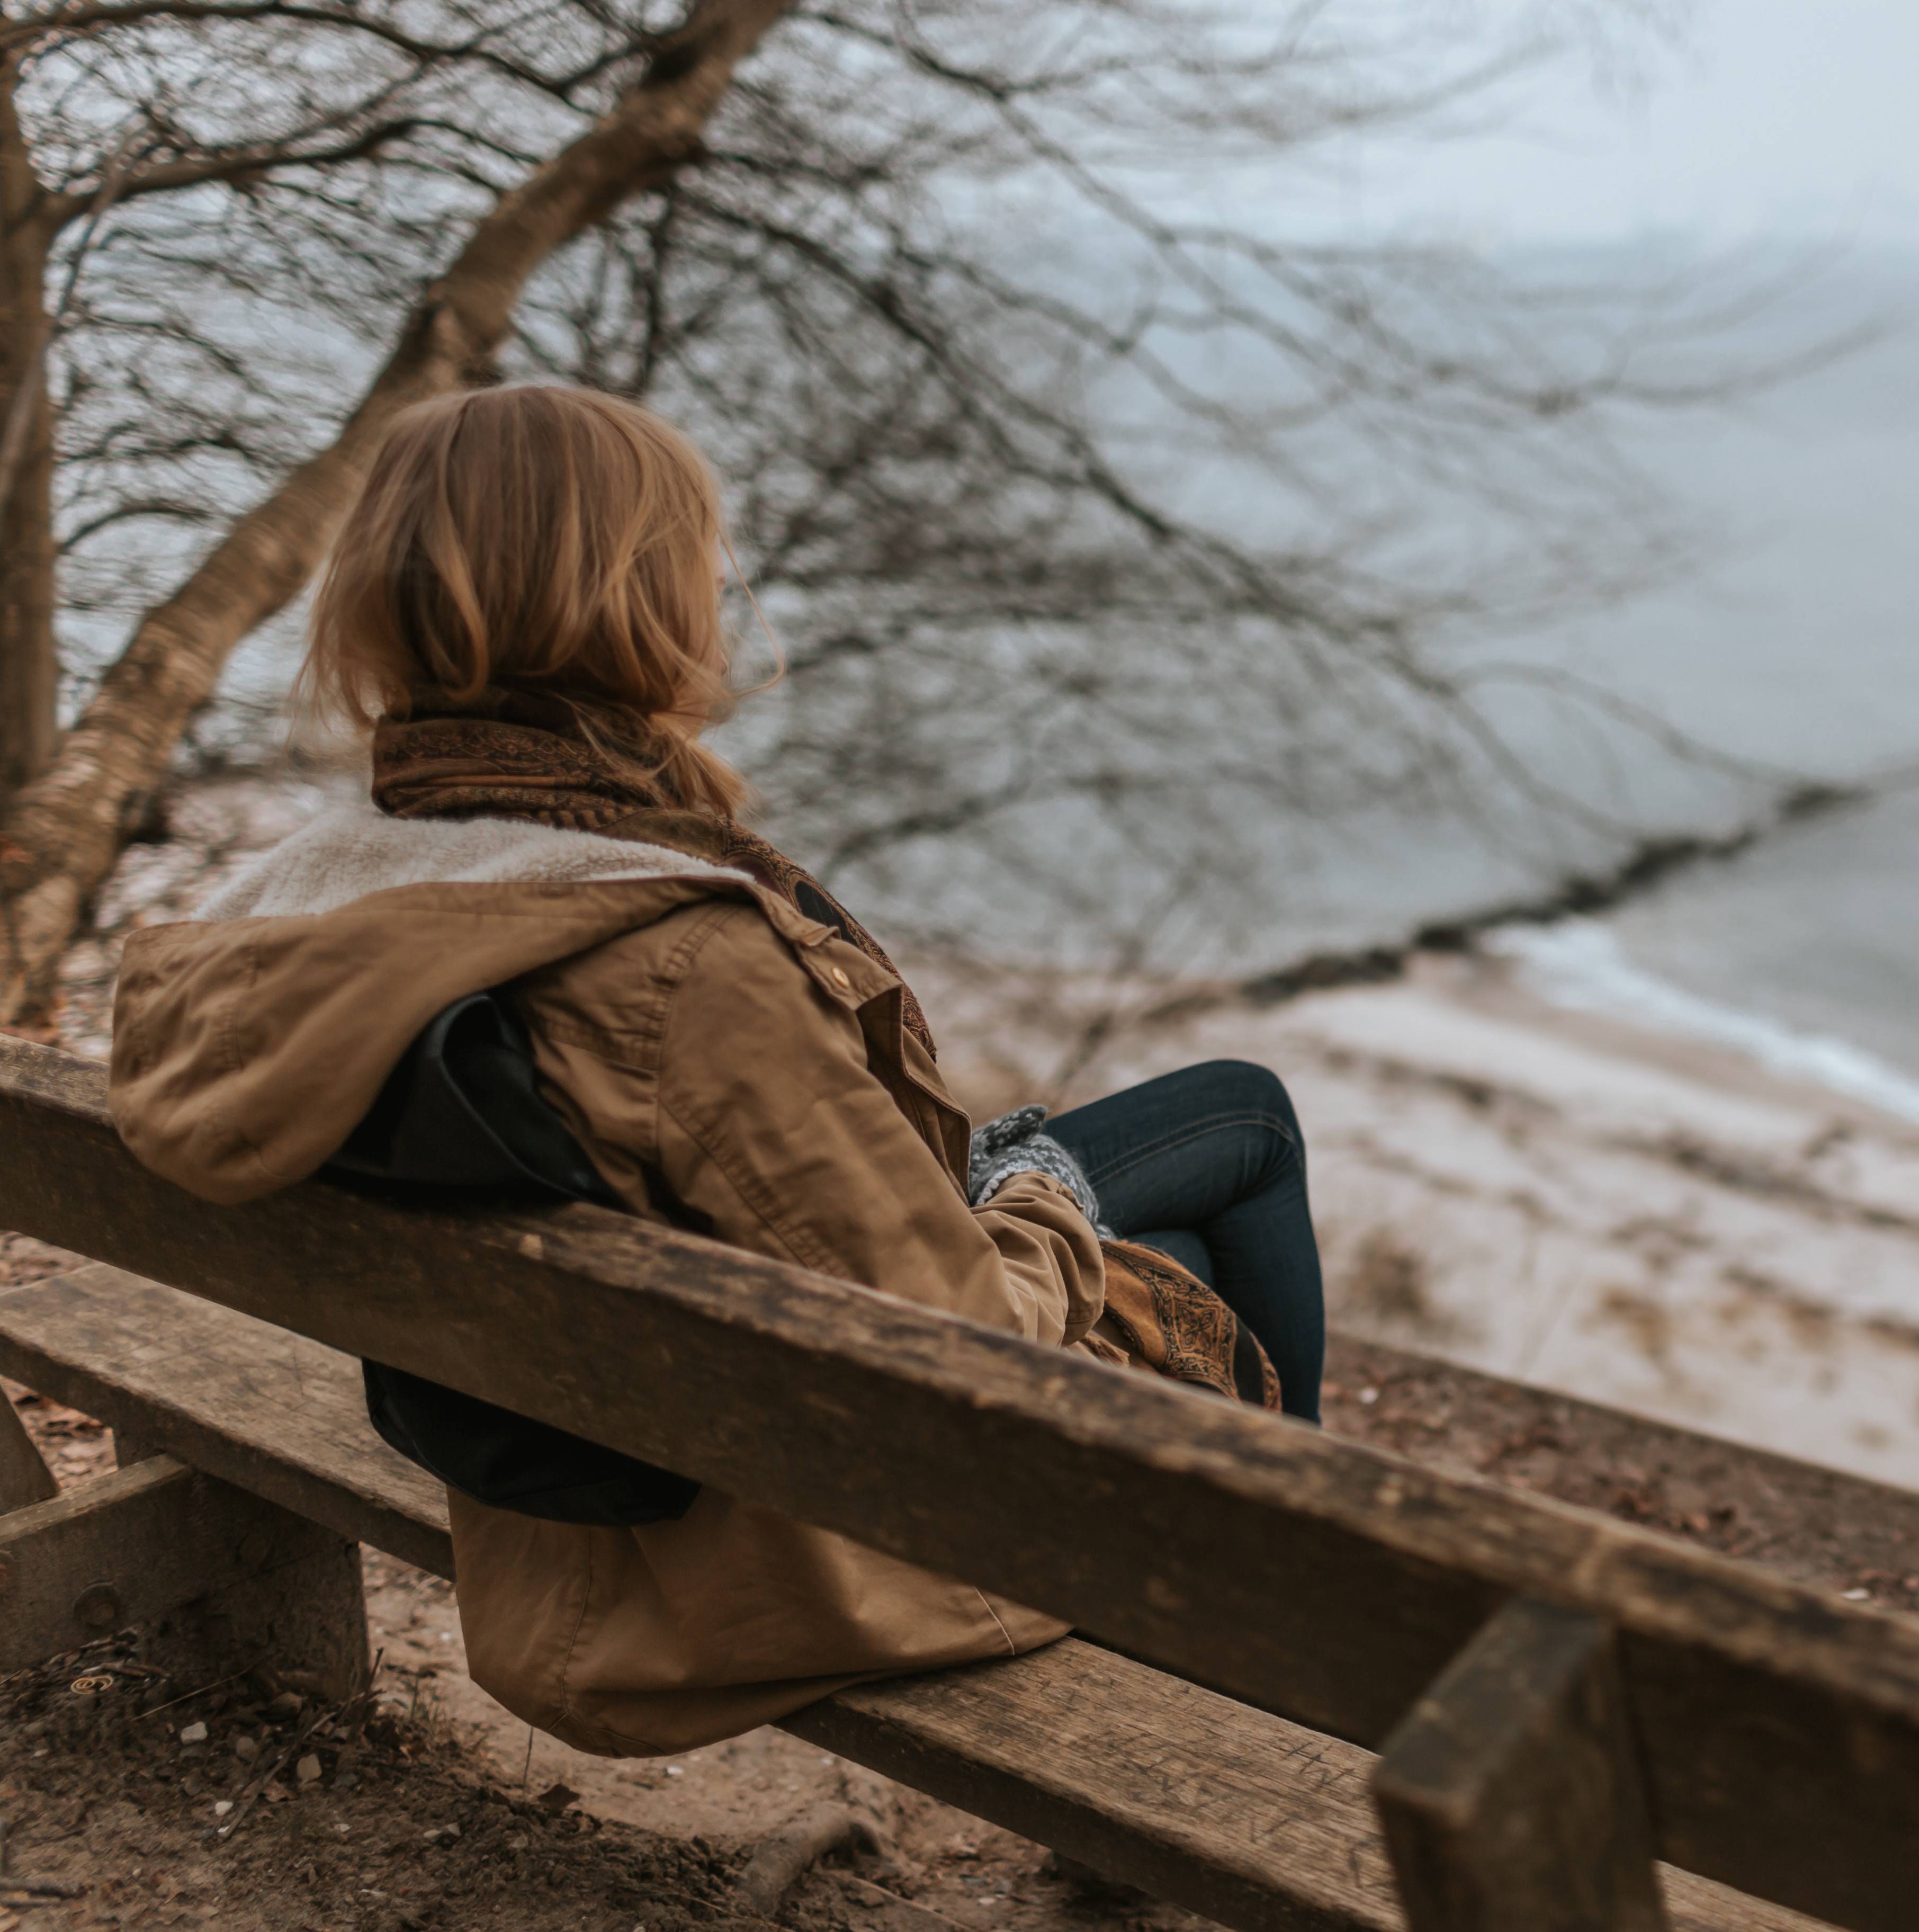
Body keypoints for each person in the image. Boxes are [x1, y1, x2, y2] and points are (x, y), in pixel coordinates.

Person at [102, 382, 1328, 1758]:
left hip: (560, 1514)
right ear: (638, 597)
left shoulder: (295, 900)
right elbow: (960, 1344)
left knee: (1226, 1115)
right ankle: (1302, 1654)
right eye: (697, 563)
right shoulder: (677, 960)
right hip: (762, 1567)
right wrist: (1038, 1195)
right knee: (1226, 1159)